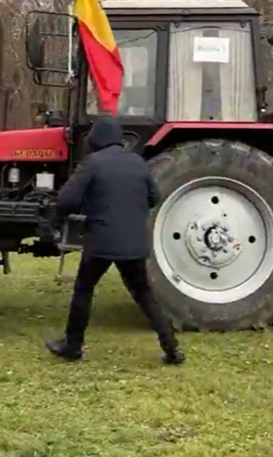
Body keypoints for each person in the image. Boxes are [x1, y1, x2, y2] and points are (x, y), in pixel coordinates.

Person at [44, 116, 184, 365]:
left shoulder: (93, 163)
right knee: (144, 294)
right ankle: (172, 349)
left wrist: (60, 219)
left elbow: (67, 199)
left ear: (96, 139)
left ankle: (73, 346)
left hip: (101, 243)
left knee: (84, 290)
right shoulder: (138, 163)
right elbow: (155, 196)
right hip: (133, 244)